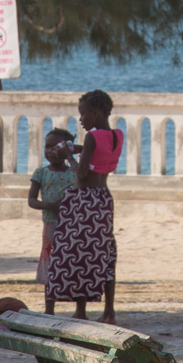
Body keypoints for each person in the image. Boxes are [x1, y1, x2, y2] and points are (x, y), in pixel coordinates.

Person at [44, 90, 120, 323]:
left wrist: (68, 154)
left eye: (83, 114)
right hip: (103, 198)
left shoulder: (92, 137)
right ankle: (108, 312)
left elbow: (81, 172)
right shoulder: (116, 134)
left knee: (73, 254)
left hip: (83, 200)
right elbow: (99, 155)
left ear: (96, 114)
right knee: (103, 253)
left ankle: (80, 310)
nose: (81, 119)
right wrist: (77, 150)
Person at [26, 129, 76, 312]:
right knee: (50, 265)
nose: (51, 152)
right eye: (47, 147)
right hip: (51, 226)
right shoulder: (41, 173)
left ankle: (79, 308)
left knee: (72, 263)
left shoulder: (74, 173)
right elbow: (31, 200)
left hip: (72, 226)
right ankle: (49, 308)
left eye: (57, 147)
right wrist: (49, 205)